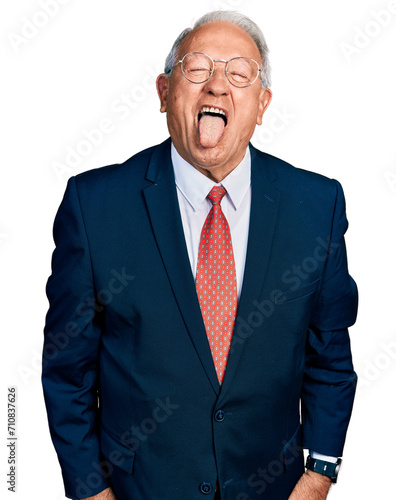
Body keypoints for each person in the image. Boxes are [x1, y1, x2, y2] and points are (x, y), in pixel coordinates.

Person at [42, 10, 358, 500]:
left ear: (262, 105)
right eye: (197, 69)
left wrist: (318, 476)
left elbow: (331, 360)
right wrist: (90, 492)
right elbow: (67, 370)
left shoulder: (317, 206)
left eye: (239, 73)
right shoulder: (95, 205)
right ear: (165, 92)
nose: (216, 85)